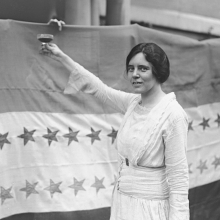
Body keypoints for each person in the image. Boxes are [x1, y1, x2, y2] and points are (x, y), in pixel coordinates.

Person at [40, 42, 189, 220]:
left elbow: (179, 179)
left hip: (151, 209)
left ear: (158, 71)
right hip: (123, 204)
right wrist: (60, 56)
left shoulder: (173, 115)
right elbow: (99, 89)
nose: (135, 74)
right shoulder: (133, 103)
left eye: (143, 68)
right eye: (130, 68)